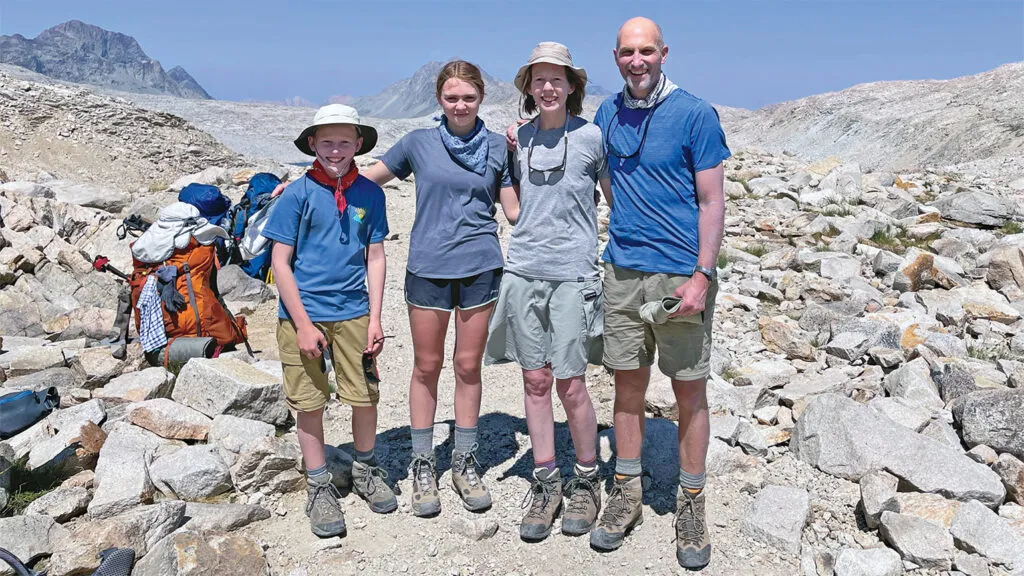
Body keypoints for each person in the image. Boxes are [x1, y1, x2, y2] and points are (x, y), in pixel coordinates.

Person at [506, 17, 730, 569]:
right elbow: (579, 161)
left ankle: (692, 500)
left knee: (688, 392)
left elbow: (712, 201)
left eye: (646, 51)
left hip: (680, 275)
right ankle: (626, 489)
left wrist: (703, 274)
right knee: (627, 390)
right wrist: (519, 134)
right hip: (622, 272)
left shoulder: (696, 114)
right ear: (615, 57)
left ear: (663, 53)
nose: (637, 61)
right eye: (628, 52)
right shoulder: (606, 115)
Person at [363, 60, 516, 517]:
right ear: (439, 100)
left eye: (468, 97)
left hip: (481, 267)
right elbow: (368, 179)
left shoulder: (497, 148)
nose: (460, 105)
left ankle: (464, 460)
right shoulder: (418, 143)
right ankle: (423, 462)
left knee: (468, 365)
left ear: (481, 98)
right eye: (452, 98)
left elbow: (513, 209)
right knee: (425, 366)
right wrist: (307, 186)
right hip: (428, 267)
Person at [484, 42, 611, 542]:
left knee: (571, 382)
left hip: (573, 275)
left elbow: (615, 198)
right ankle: (545, 480)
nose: (548, 87)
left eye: (557, 78)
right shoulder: (520, 141)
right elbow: (510, 197)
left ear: (572, 85)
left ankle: (586, 478)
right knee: (534, 380)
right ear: (529, 88)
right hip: (524, 272)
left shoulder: (592, 137)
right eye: (539, 79)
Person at [262, 104, 396, 538]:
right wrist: (302, 323)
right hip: (303, 316)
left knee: (364, 396)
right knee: (309, 402)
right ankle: (318, 484)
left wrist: (376, 318)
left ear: (358, 144)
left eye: (343, 142)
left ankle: (364, 467)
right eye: (326, 142)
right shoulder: (297, 194)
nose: (335, 150)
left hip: (355, 313)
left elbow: (375, 256)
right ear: (312, 146)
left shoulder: (371, 195)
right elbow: (280, 262)